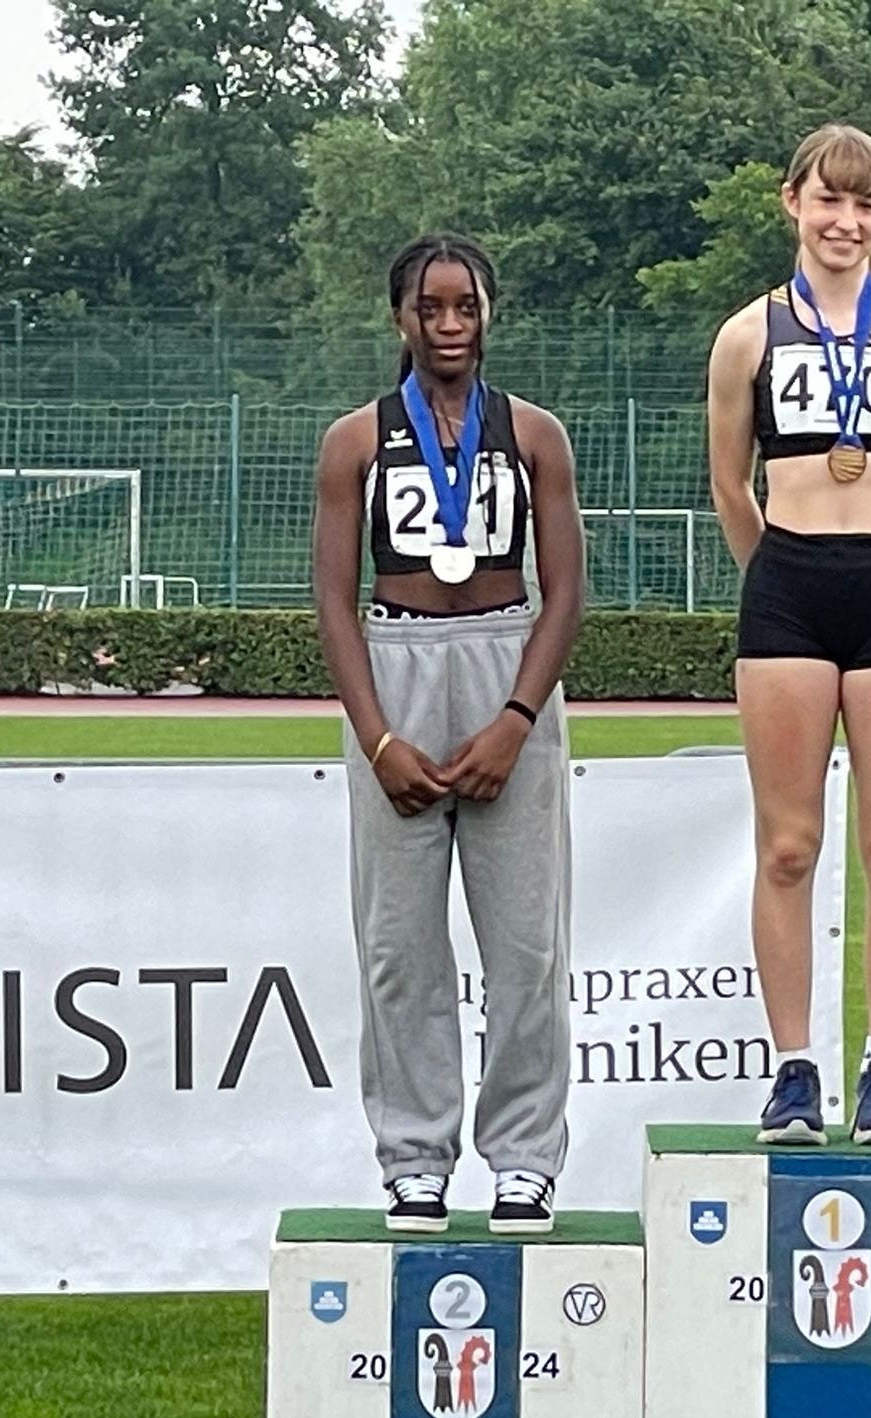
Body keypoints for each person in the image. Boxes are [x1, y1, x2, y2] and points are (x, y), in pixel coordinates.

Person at [312, 232, 585, 1234]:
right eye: (429, 308)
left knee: (526, 945)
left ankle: (524, 1159)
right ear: (400, 318)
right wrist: (378, 738)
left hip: (508, 663)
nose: (449, 324)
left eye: (465, 306)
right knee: (398, 947)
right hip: (397, 664)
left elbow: (566, 592)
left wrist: (516, 719)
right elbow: (332, 600)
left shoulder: (535, 435)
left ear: (488, 313)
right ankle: (414, 1158)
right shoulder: (353, 441)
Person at [706, 123, 871, 1145]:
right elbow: (730, 483)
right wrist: (776, 572)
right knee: (787, 846)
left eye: (865, 205)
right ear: (792, 202)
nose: (845, 222)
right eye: (828, 199)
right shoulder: (747, 336)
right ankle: (792, 1072)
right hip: (787, 592)